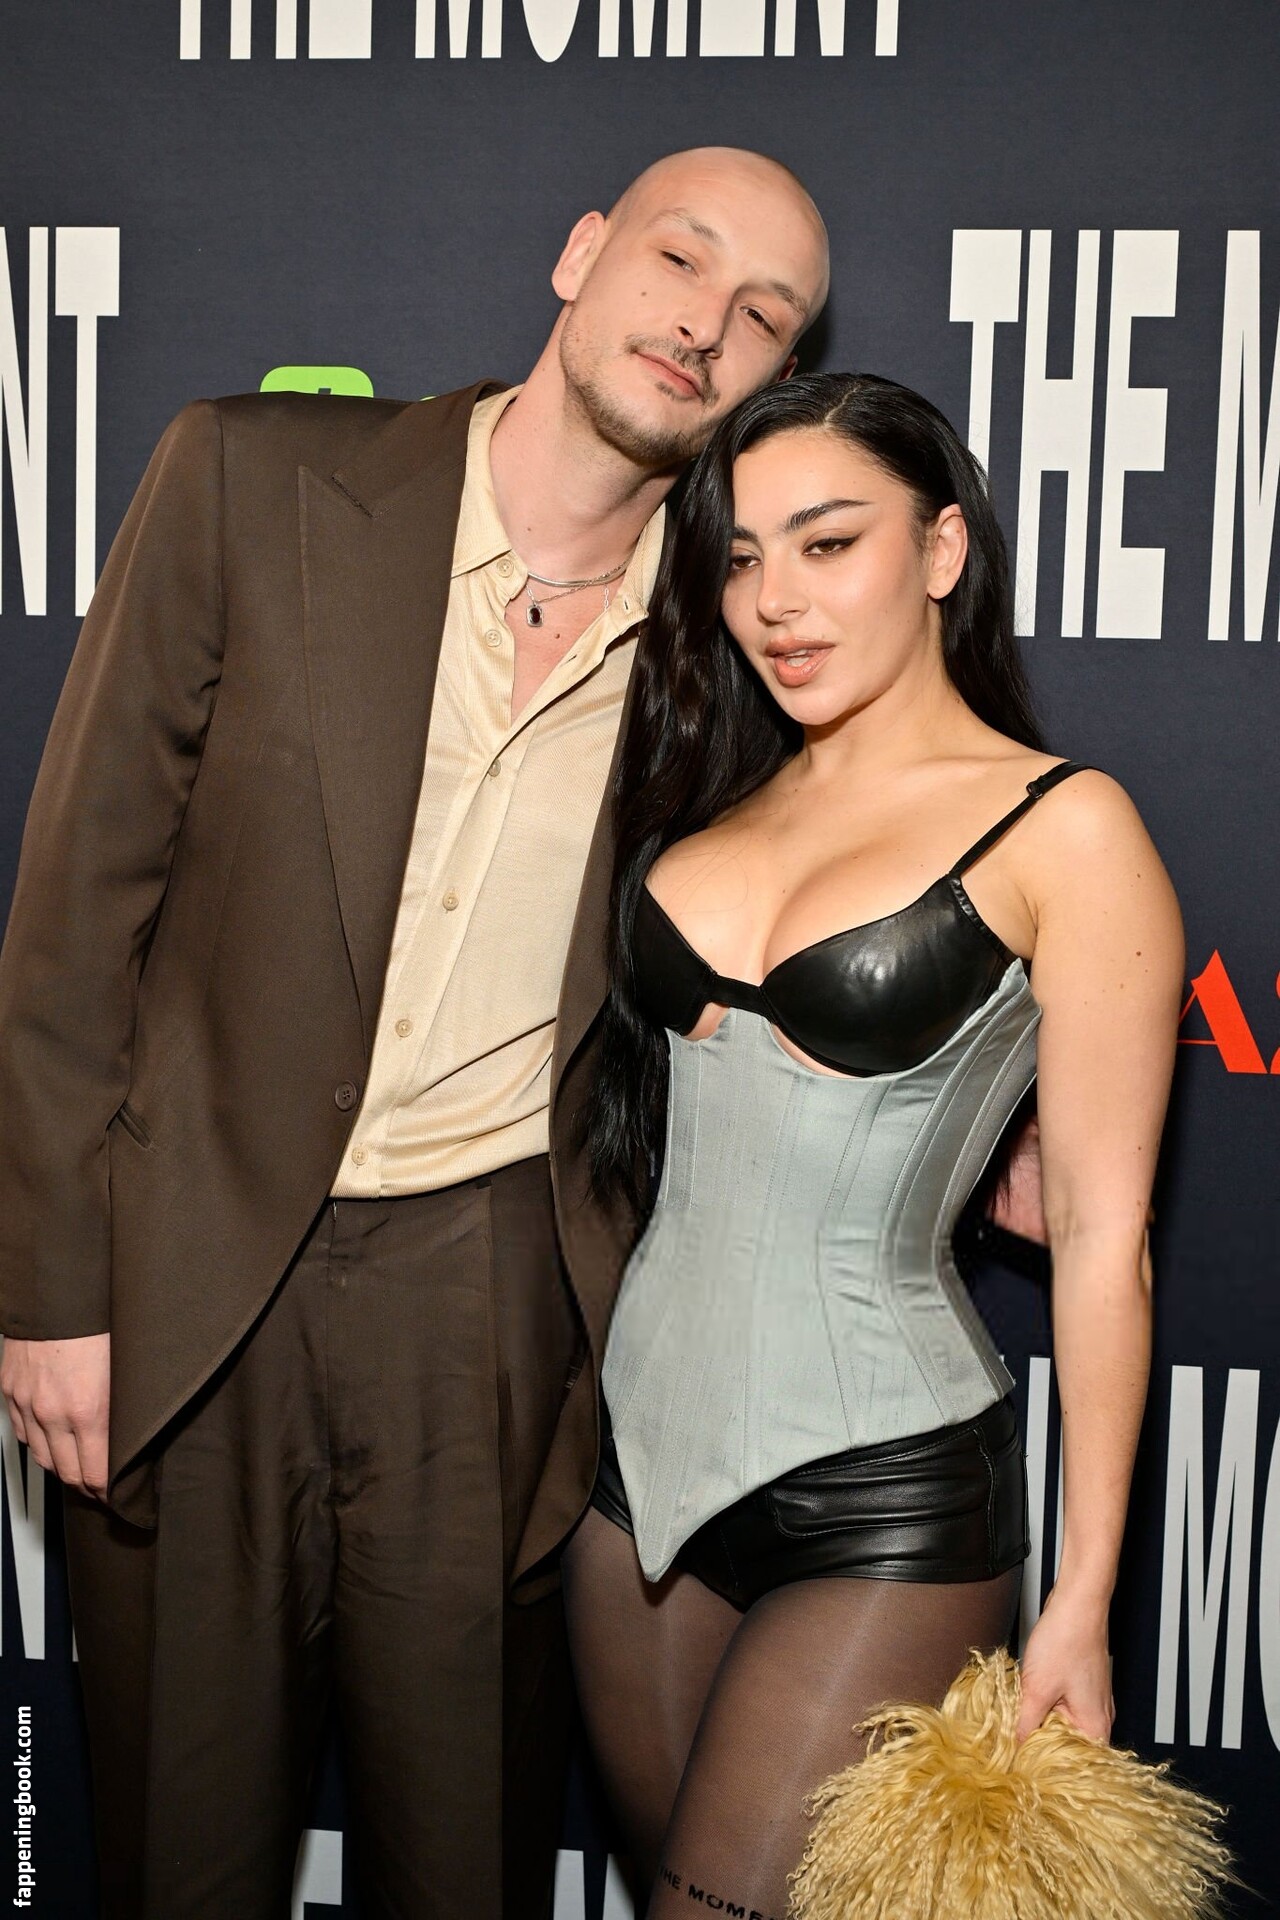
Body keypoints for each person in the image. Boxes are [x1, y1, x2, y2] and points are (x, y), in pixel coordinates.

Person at [0, 149, 831, 1918]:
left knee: (462, 1861)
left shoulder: (734, 651)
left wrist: (1022, 1083)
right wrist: (52, 1291)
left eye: (765, 314)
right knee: (180, 1855)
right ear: (582, 252)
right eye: (681, 258)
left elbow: (907, 818)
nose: (707, 320)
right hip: (193, 1280)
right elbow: (75, 915)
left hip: (490, 1305)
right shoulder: (247, 479)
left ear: (777, 374)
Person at [567, 372, 1183, 1920]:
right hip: (634, 1493)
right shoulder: (704, 797)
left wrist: (1086, 1602)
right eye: (743, 558)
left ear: (942, 550)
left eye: (829, 543)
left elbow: (1102, 1237)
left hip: (888, 1499)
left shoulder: (1066, 827)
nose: (776, 599)